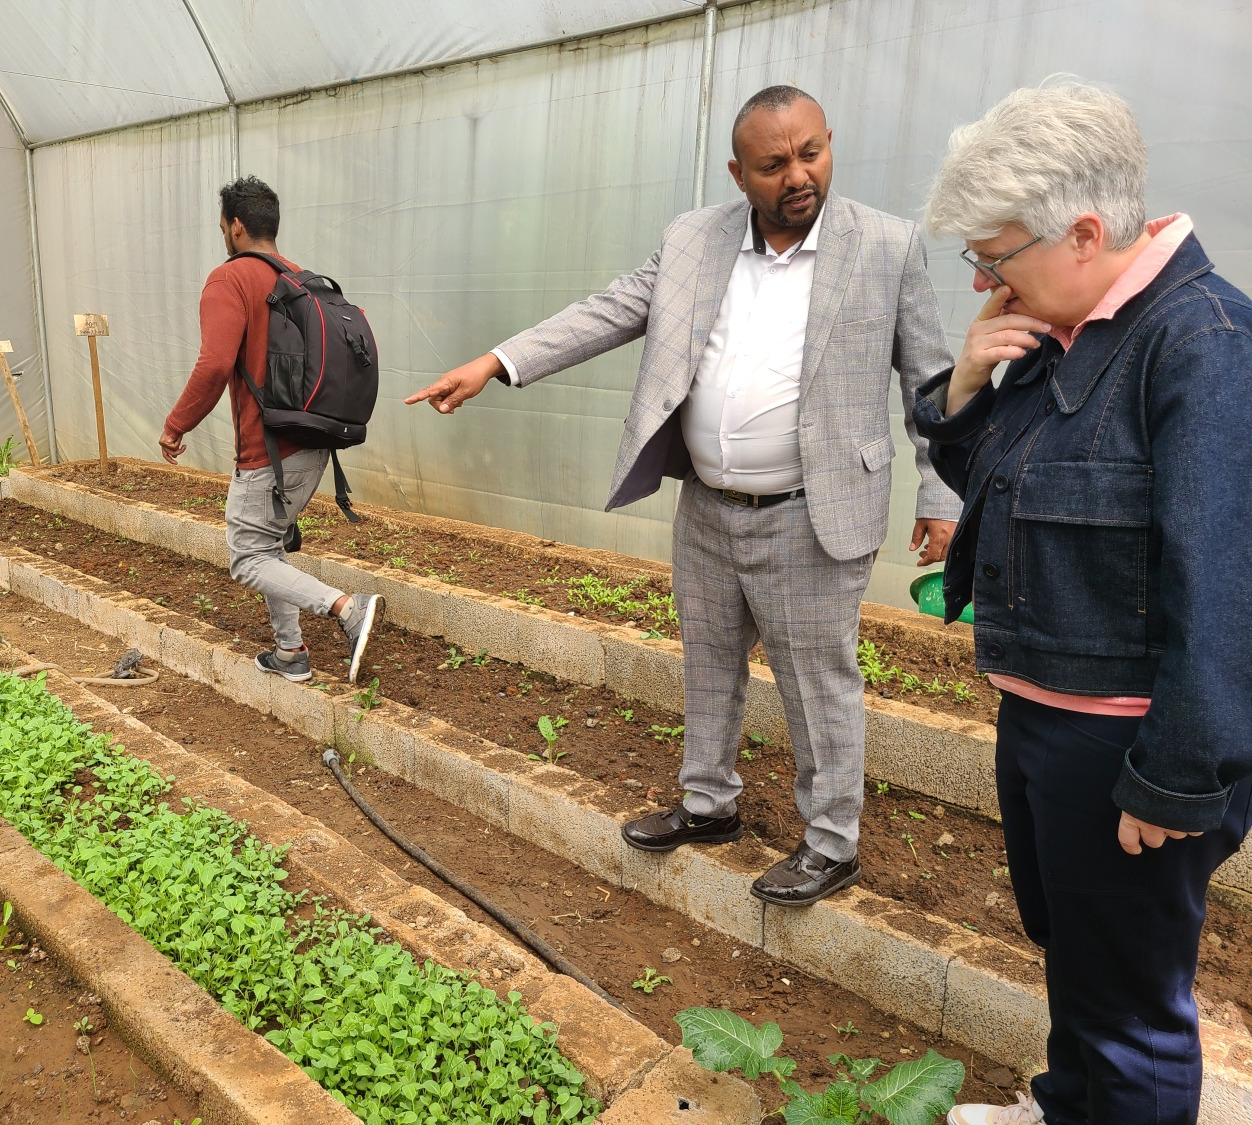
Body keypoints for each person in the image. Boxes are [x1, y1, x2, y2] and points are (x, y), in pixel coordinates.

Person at [406, 86, 959, 906]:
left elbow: (933, 381)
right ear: (739, 173)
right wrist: (497, 362)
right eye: (774, 164)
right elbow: (609, 310)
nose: (798, 175)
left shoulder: (885, 245)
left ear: (830, 142)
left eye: (812, 152)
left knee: (818, 682)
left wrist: (942, 495)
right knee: (707, 661)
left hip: (813, 510)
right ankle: (709, 804)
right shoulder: (694, 239)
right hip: (708, 506)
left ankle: (832, 842)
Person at [916, 81, 1252, 1125]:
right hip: (1048, 715)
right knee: (1078, 949)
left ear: (1085, 232)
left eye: (996, 256)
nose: (984, 280)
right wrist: (965, 384)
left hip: (1125, 748)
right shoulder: (1072, 328)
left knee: (1132, 1004)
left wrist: (1177, 779)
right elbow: (1003, 490)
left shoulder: (1201, 346)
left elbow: (1228, 582)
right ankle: (1069, 1106)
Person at [160, 176, 383, 685]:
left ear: (236, 226)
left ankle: (348, 608)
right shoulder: (301, 280)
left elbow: (215, 364)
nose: (223, 234)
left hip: (271, 448)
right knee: (269, 547)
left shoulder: (231, 279)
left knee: (248, 557)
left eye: (222, 227)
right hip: (314, 440)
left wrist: (176, 426)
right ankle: (290, 652)